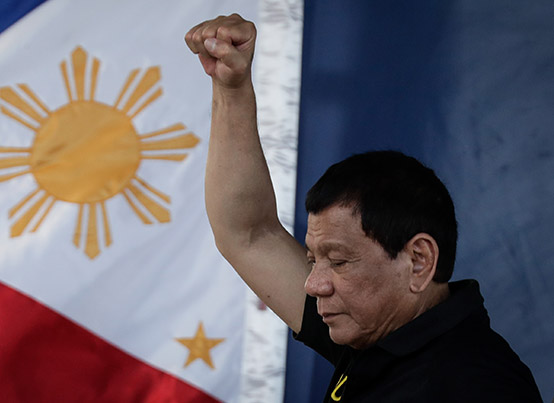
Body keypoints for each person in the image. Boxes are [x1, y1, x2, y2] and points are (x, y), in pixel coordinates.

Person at [185, 14, 543, 402]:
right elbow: (249, 234)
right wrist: (231, 87)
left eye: (338, 262)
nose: (313, 284)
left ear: (419, 261)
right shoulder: (381, 333)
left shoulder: (475, 387)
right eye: (312, 260)